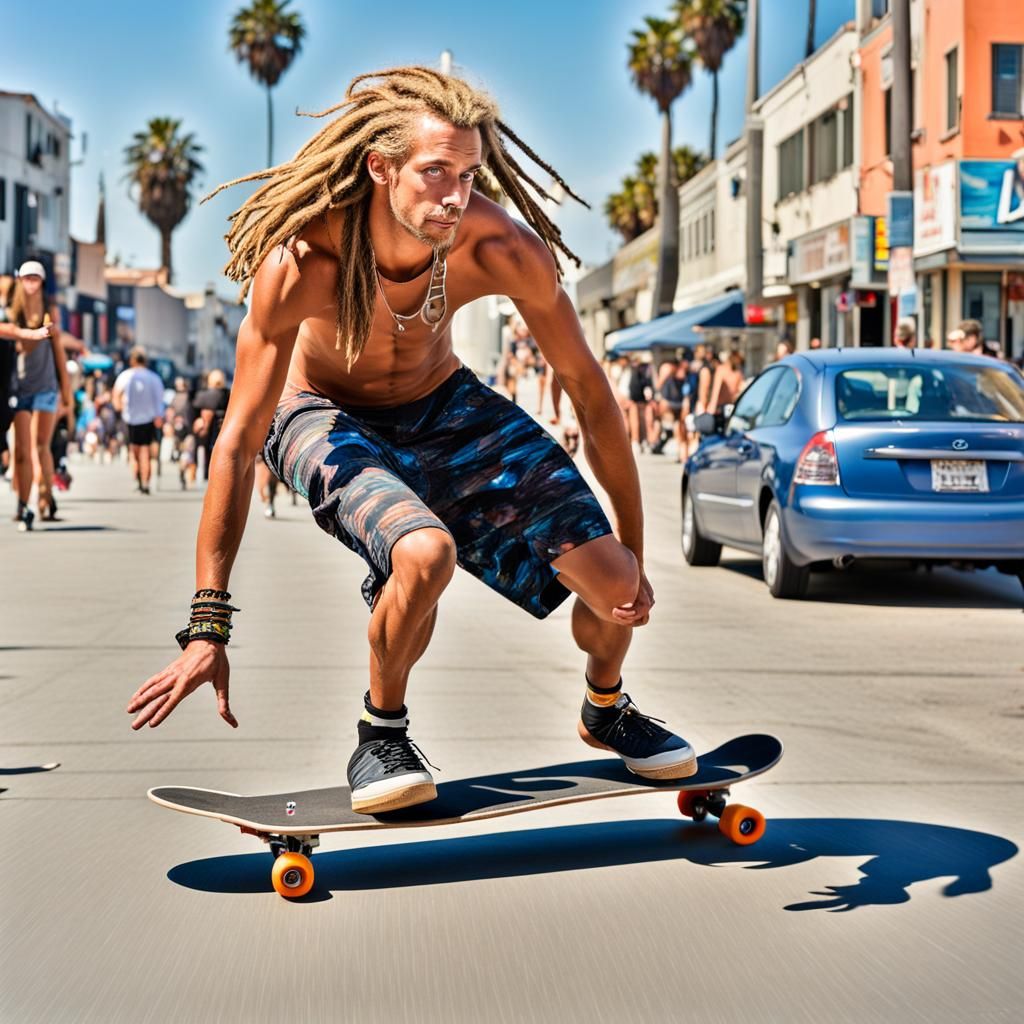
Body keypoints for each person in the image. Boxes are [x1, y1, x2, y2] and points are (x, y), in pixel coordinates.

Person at [126, 65, 697, 816]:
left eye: (468, 174)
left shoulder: (500, 247)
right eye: (435, 173)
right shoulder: (301, 262)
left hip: (446, 405)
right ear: (380, 167)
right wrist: (207, 624)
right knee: (426, 555)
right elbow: (235, 443)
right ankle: (382, 732)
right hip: (321, 414)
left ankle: (605, 707)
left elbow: (591, 395)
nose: (456, 196)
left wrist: (634, 552)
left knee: (618, 590)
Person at [5, 261, 71, 529]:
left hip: (45, 387)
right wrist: (26, 334)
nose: (31, 282)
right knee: (21, 450)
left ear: (42, 282)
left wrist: (66, 391)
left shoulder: (49, 311)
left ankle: (44, 498)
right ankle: (24, 502)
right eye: (26, 277)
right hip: (19, 388)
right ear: (20, 280)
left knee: (40, 445)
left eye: (36, 277)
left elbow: (59, 351)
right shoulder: (12, 311)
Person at [113, 348, 166, 494]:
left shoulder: (126, 375)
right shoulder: (154, 377)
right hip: (149, 419)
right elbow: (159, 399)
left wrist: (119, 409)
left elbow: (116, 395)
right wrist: (159, 416)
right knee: (146, 452)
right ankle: (146, 482)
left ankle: (139, 479)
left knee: (134, 451)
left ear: (132, 361)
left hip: (131, 418)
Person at [193, 369, 231, 480]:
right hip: (223, 426)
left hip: (205, 428)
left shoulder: (202, 394)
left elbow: (195, 410)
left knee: (205, 450)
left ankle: (205, 471)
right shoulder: (227, 394)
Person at [708, 346, 745, 415]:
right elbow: (716, 390)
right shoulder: (722, 370)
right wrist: (712, 408)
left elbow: (741, 389)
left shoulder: (737, 373)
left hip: (729, 406)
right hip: (723, 406)